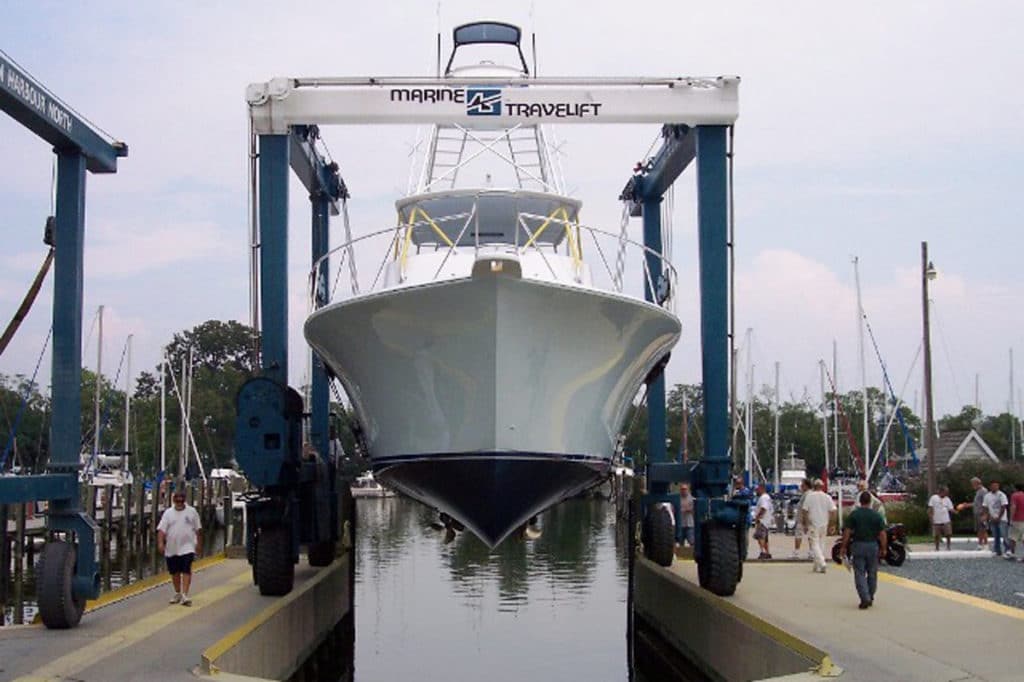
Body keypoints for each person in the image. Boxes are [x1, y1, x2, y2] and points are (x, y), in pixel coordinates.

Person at [839, 490, 887, 610]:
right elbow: (882, 533)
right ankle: (870, 595)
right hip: (872, 545)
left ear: (860, 501)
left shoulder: (854, 515)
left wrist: (843, 547)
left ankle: (864, 597)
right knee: (872, 573)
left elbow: (847, 532)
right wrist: (884, 548)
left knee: (859, 572)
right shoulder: (876, 516)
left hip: (858, 545)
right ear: (870, 501)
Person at [157, 489, 203, 606]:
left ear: (184, 500)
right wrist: (161, 543)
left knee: (186, 569)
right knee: (175, 572)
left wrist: (199, 544)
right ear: (174, 501)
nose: (179, 503)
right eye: (177, 501)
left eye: (181, 501)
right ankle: (177, 592)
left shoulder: (192, 512)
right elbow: (162, 530)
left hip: (187, 546)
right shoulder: (168, 513)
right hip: (172, 547)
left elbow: (198, 529)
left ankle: (185, 595)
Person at [801, 478, 837, 573]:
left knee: (814, 544)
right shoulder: (827, 497)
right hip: (824, 523)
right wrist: (833, 524)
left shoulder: (810, 496)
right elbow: (833, 511)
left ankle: (822, 562)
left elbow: (805, 511)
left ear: (814, 486)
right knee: (821, 544)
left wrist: (805, 523)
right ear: (822, 486)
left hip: (813, 523)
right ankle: (817, 565)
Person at [927, 485, 957, 551]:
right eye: (946, 492)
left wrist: (955, 511)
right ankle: (937, 547)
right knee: (936, 535)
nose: (947, 493)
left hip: (946, 520)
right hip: (936, 520)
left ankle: (948, 547)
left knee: (948, 534)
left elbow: (951, 508)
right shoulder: (933, 498)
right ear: (941, 491)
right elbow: (930, 508)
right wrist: (931, 518)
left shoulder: (947, 499)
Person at [983, 481, 1008, 556]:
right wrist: (989, 516)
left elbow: (1003, 507)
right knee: (995, 535)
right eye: (993, 486)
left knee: (1004, 535)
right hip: (992, 518)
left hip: (1002, 518)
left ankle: (1007, 550)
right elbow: (985, 507)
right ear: (990, 487)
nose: (994, 487)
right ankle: (997, 550)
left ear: (998, 486)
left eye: (996, 486)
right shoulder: (987, 496)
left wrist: (999, 517)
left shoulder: (1002, 495)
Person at [791, 478, 812, 560]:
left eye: (802, 485)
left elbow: (805, 508)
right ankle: (811, 551)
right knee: (810, 535)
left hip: (802, 519)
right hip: (806, 518)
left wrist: (804, 521)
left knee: (798, 535)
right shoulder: (808, 494)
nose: (801, 487)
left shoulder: (807, 494)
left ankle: (797, 552)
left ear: (806, 486)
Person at [753, 483, 774, 560]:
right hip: (767, 520)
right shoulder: (767, 497)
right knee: (765, 538)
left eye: (757, 489)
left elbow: (763, 508)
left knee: (760, 537)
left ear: (762, 488)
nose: (756, 490)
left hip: (762, 520)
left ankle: (762, 552)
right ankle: (767, 552)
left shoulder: (763, 498)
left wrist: (758, 517)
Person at [1006, 482, 1024, 561]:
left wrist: (1011, 519)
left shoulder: (1015, 495)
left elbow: (1013, 507)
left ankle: (1012, 554)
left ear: (1015, 488)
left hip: (1017, 519)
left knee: (1013, 537)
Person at [970, 477, 989, 550]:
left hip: (981, 513)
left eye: (973, 484)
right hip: (977, 513)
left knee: (983, 529)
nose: (972, 486)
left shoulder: (983, 491)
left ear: (977, 483)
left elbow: (985, 502)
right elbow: (976, 503)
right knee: (979, 529)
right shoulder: (978, 491)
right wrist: (966, 505)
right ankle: (980, 544)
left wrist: (985, 514)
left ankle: (985, 544)